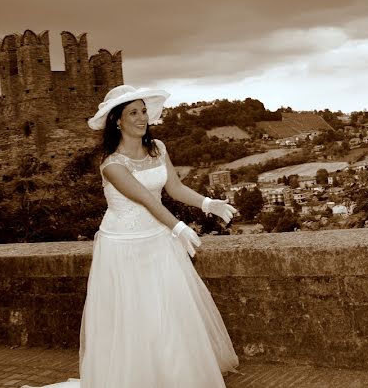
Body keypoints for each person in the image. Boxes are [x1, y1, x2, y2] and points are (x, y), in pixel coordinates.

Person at [25, 85, 240, 388]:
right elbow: (147, 200)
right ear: (117, 121)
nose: (142, 118)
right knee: (133, 315)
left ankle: (173, 377)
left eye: (143, 111)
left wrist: (208, 203)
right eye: (133, 113)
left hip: (157, 240)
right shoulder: (112, 165)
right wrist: (179, 228)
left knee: (167, 312)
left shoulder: (158, 148)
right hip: (122, 247)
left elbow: (174, 189)